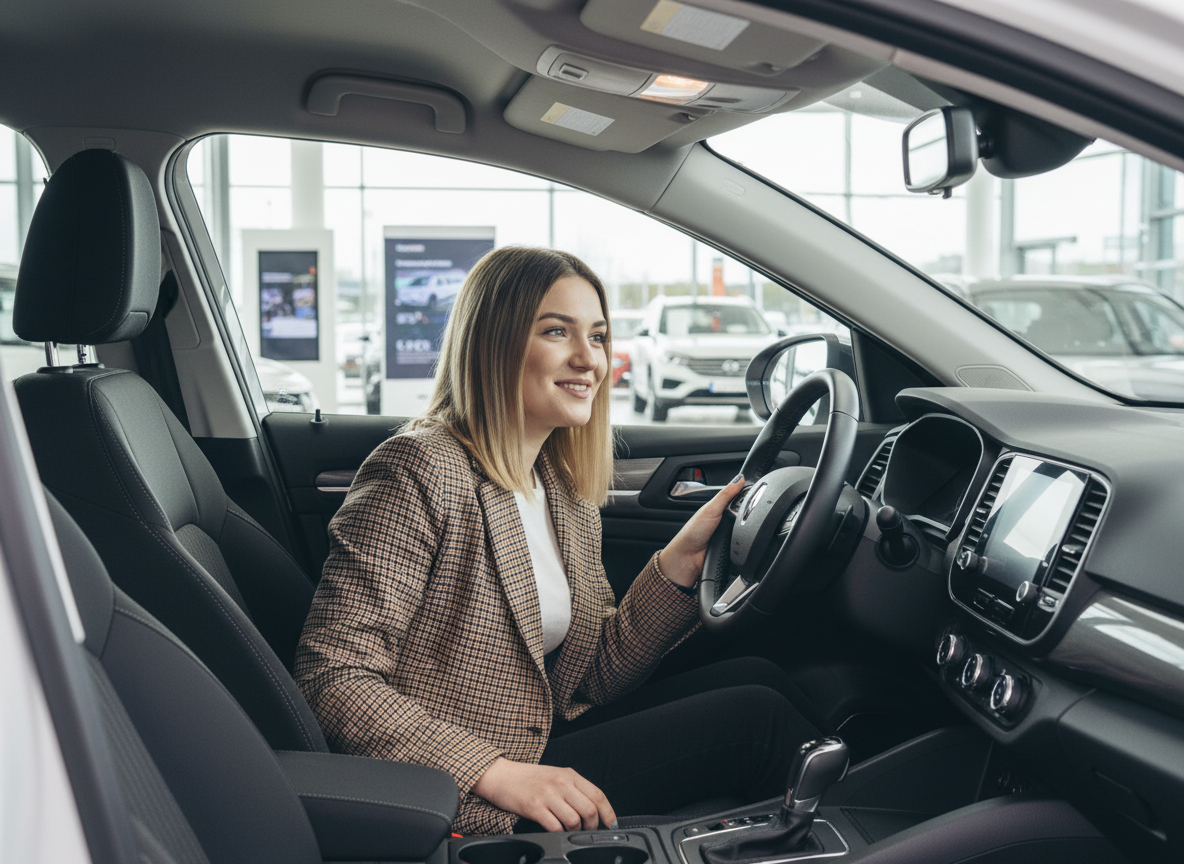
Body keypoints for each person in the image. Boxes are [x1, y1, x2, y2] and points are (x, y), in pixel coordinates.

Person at [295, 247, 821, 836]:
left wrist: (680, 561)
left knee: (758, 676)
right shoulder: (418, 468)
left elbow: (591, 676)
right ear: (492, 343)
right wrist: (492, 771)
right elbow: (332, 678)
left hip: (540, 732)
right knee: (759, 721)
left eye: (597, 337)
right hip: (462, 786)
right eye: (556, 332)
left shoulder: (559, 484)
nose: (588, 360)